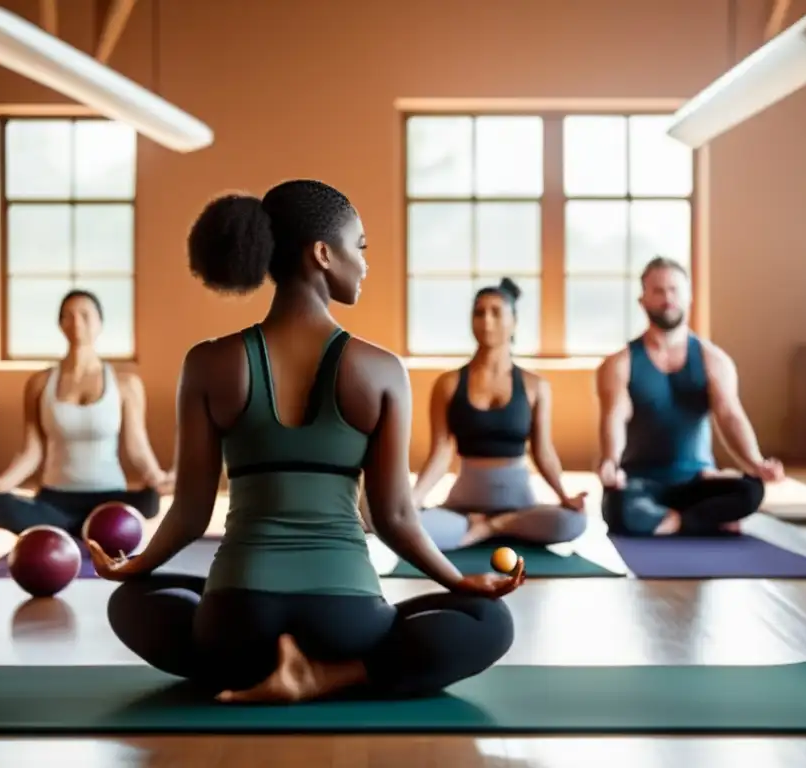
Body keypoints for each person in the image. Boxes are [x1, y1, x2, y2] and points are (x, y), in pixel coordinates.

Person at [88, 180, 523, 705]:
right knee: (489, 620)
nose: (364, 262)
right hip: (347, 622)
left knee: (132, 601)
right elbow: (395, 519)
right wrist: (458, 582)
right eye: (358, 247)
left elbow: (189, 513)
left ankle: (258, 670)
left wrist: (132, 566)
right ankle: (334, 674)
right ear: (322, 254)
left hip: (237, 622)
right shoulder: (382, 370)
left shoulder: (207, 362)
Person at [595, 257, 783, 536]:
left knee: (750, 491)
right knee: (617, 505)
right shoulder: (620, 363)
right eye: (657, 291)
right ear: (642, 300)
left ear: (688, 296)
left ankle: (669, 521)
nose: (667, 298)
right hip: (641, 483)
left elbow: (730, 415)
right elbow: (615, 415)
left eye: (674, 290)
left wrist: (755, 462)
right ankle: (700, 522)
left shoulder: (713, 360)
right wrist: (610, 460)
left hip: (698, 481)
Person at [411, 279, 587, 551]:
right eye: (479, 312)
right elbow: (441, 452)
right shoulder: (448, 383)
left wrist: (564, 496)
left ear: (514, 321)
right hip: (462, 509)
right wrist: (414, 499)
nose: (486, 321)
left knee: (574, 522)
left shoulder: (535, 385)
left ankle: (496, 526)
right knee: (410, 529)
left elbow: (543, 451)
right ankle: (485, 526)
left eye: (496, 312)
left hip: (520, 506)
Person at [0, 290, 173, 536]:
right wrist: (0, 485)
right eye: (68, 316)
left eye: (85, 315)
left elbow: (137, 445)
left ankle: (72, 530)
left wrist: (156, 477)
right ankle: (85, 530)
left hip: (109, 499)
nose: (77, 323)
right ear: (60, 325)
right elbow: (32, 450)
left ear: (100, 324)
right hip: (54, 500)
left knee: (149, 501)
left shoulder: (126, 384)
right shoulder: (40, 383)